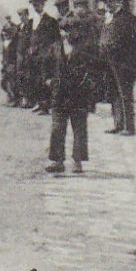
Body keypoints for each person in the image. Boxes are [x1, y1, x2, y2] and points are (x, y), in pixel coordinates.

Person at [45, 15, 95, 174]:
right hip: (59, 94)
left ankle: (77, 161)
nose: (67, 34)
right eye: (64, 30)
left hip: (78, 94)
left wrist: (88, 84)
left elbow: (94, 69)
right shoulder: (54, 47)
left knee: (79, 129)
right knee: (57, 128)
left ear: (77, 31)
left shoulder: (85, 48)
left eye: (71, 30)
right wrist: (48, 80)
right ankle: (57, 160)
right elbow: (46, 65)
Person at [97, 0, 136, 136]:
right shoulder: (108, 19)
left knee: (125, 94)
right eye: (105, 2)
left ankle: (129, 127)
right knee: (113, 93)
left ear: (118, 1)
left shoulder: (129, 19)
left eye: (109, 1)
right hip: (109, 63)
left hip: (124, 63)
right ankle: (118, 124)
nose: (107, 5)